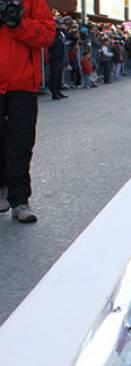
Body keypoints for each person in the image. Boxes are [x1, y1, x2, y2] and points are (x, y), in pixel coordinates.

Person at [0, 0, 55, 223]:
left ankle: (19, 199)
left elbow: (47, 35)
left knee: (20, 142)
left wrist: (18, 23)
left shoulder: (33, 2)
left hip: (22, 84)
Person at [48, 18, 67, 100]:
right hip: (54, 56)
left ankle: (59, 90)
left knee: (59, 75)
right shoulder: (53, 33)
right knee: (55, 75)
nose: (61, 25)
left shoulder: (60, 33)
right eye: (59, 24)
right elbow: (51, 44)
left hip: (60, 55)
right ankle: (54, 92)